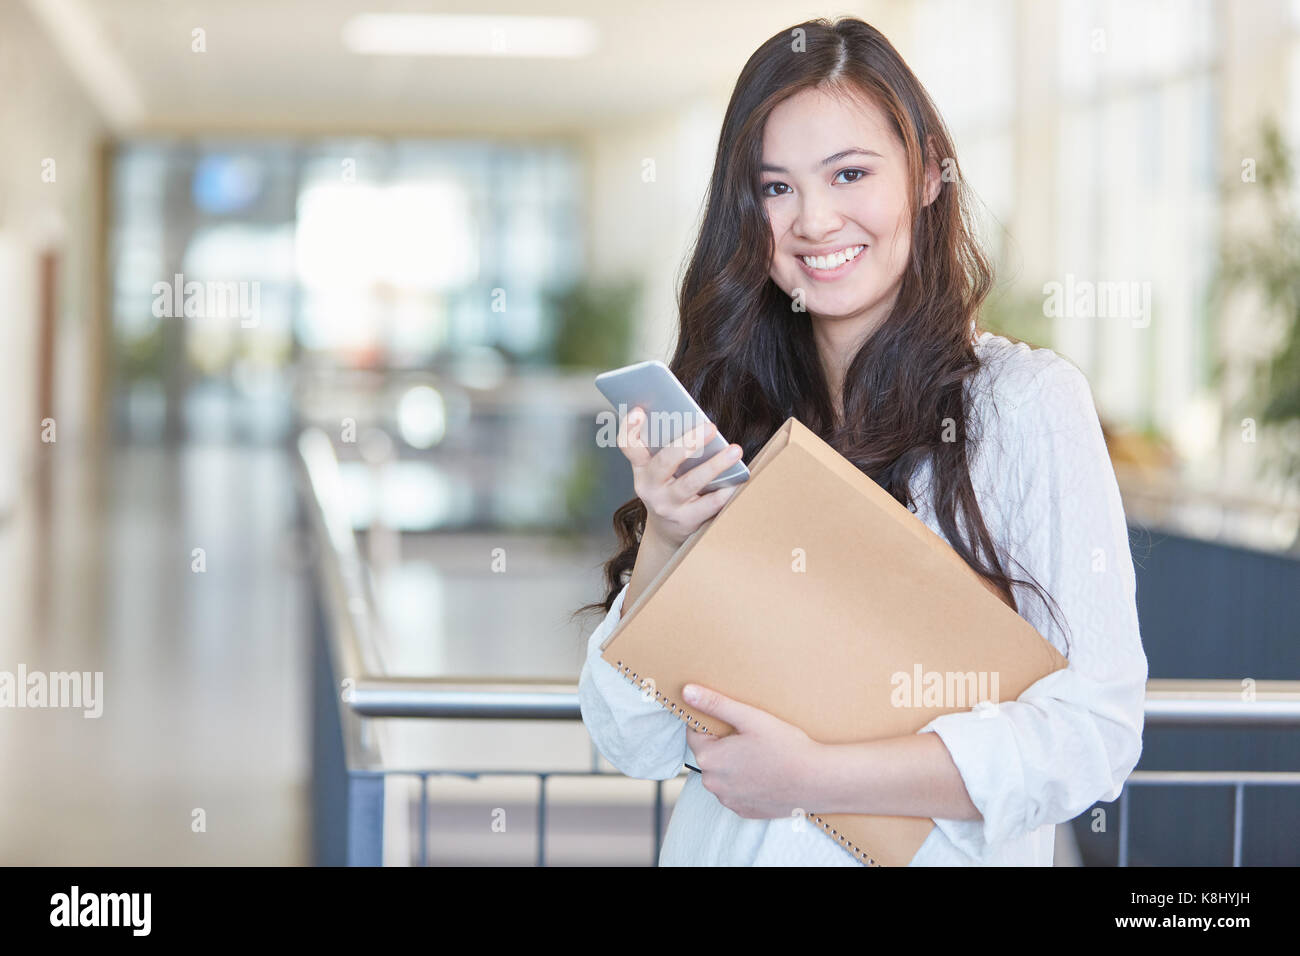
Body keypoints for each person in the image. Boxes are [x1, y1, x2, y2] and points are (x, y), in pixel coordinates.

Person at [575, 16, 1147, 866]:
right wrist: (664, 536)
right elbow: (633, 743)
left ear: (924, 174)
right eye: (775, 188)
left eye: (849, 174)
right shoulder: (732, 404)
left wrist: (816, 776)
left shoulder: (1024, 406)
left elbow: (1093, 733)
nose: (812, 219)